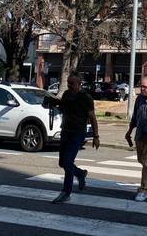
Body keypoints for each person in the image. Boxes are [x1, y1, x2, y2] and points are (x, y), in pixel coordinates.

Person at [47, 74, 100, 204]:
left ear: (79, 83)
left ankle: (66, 192)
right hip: (65, 131)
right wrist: (51, 103)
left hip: (77, 133)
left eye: (72, 83)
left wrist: (96, 136)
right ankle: (80, 174)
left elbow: (92, 118)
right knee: (63, 163)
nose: (70, 86)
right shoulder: (66, 94)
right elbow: (62, 107)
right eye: (68, 83)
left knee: (67, 162)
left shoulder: (86, 98)